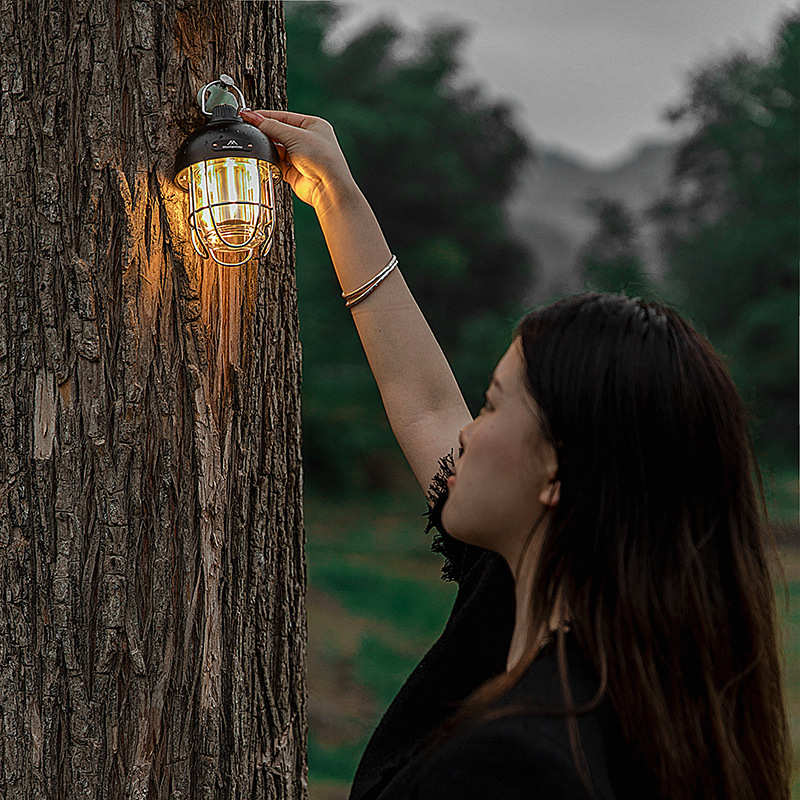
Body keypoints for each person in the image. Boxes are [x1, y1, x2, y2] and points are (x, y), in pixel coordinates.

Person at [238, 108, 791, 800]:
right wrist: (336, 199)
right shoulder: (598, 658)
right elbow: (427, 404)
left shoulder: (515, 765)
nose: (469, 432)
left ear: (556, 471)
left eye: (493, 405)